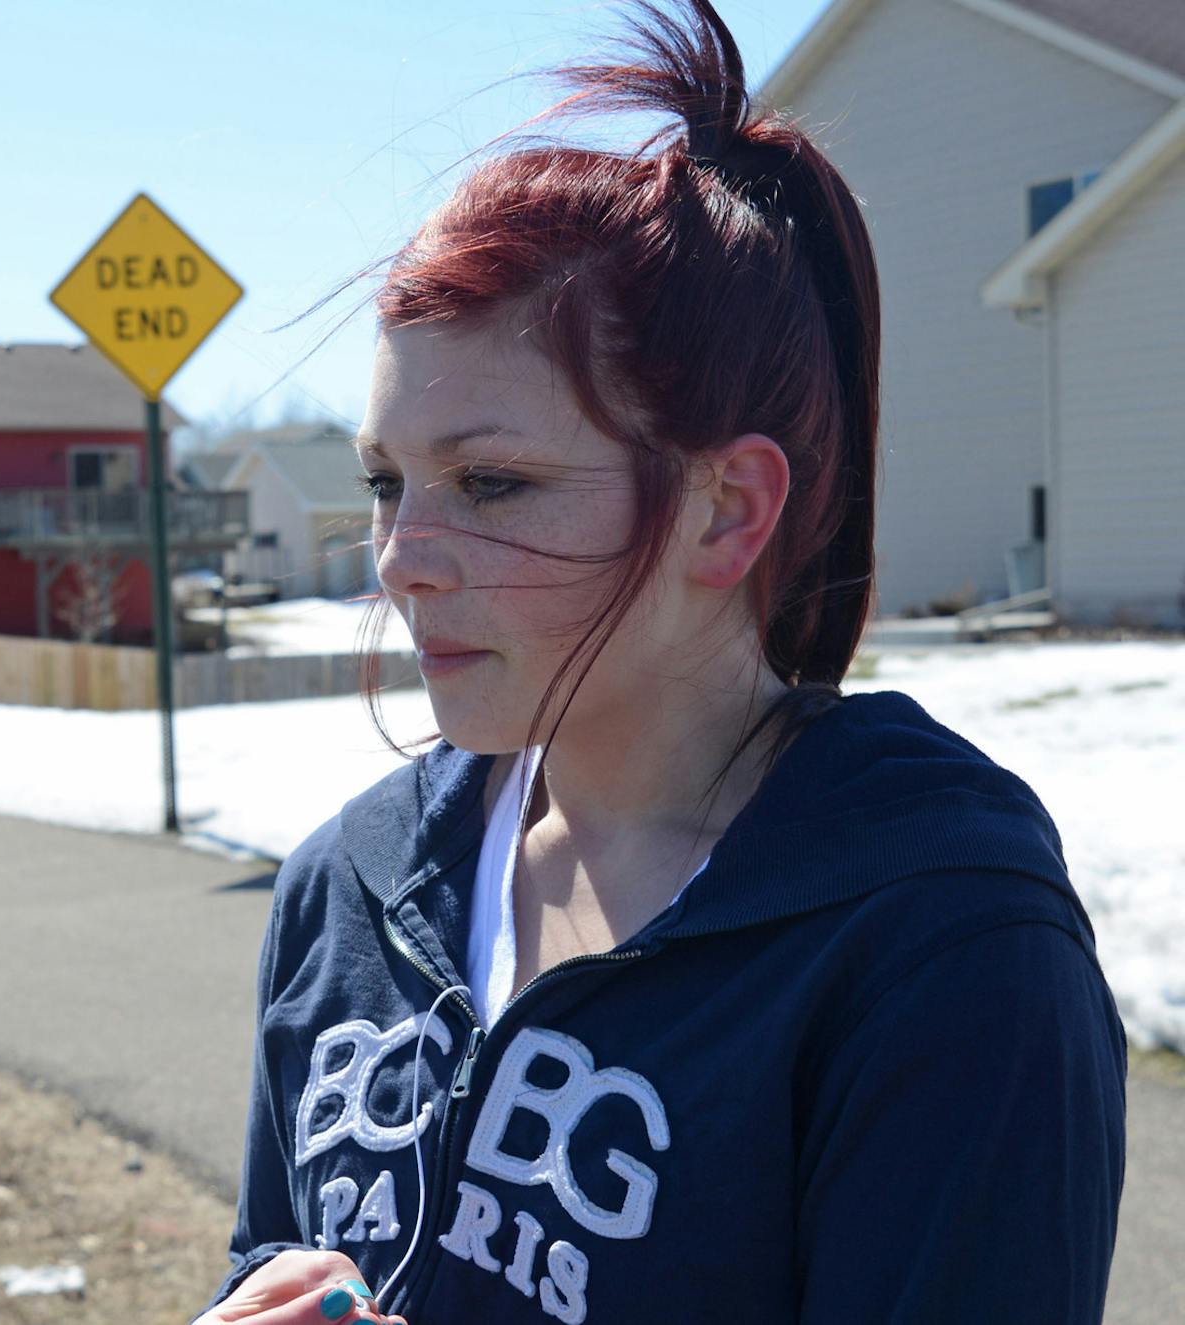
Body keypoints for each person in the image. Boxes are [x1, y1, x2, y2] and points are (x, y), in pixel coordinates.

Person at [192, 3, 1128, 1322]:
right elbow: (271, 1248)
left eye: (494, 481)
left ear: (728, 510)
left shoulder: (942, 949)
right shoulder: (346, 891)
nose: (401, 556)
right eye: (388, 482)